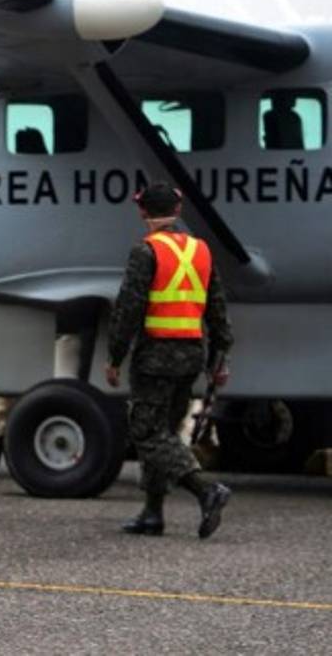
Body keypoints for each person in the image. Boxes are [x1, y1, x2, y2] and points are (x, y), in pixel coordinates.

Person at [104, 183, 234, 539]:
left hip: (155, 357)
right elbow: (217, 308)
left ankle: (206, 491)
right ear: (177, 211)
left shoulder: (145, 252)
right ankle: (152, 513)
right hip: (191, 355)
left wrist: (115, 356)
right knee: (165, 432)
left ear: (143, 212)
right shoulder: (201, 251)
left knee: (147, 431)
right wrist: (220, 357)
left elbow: (128, 309)